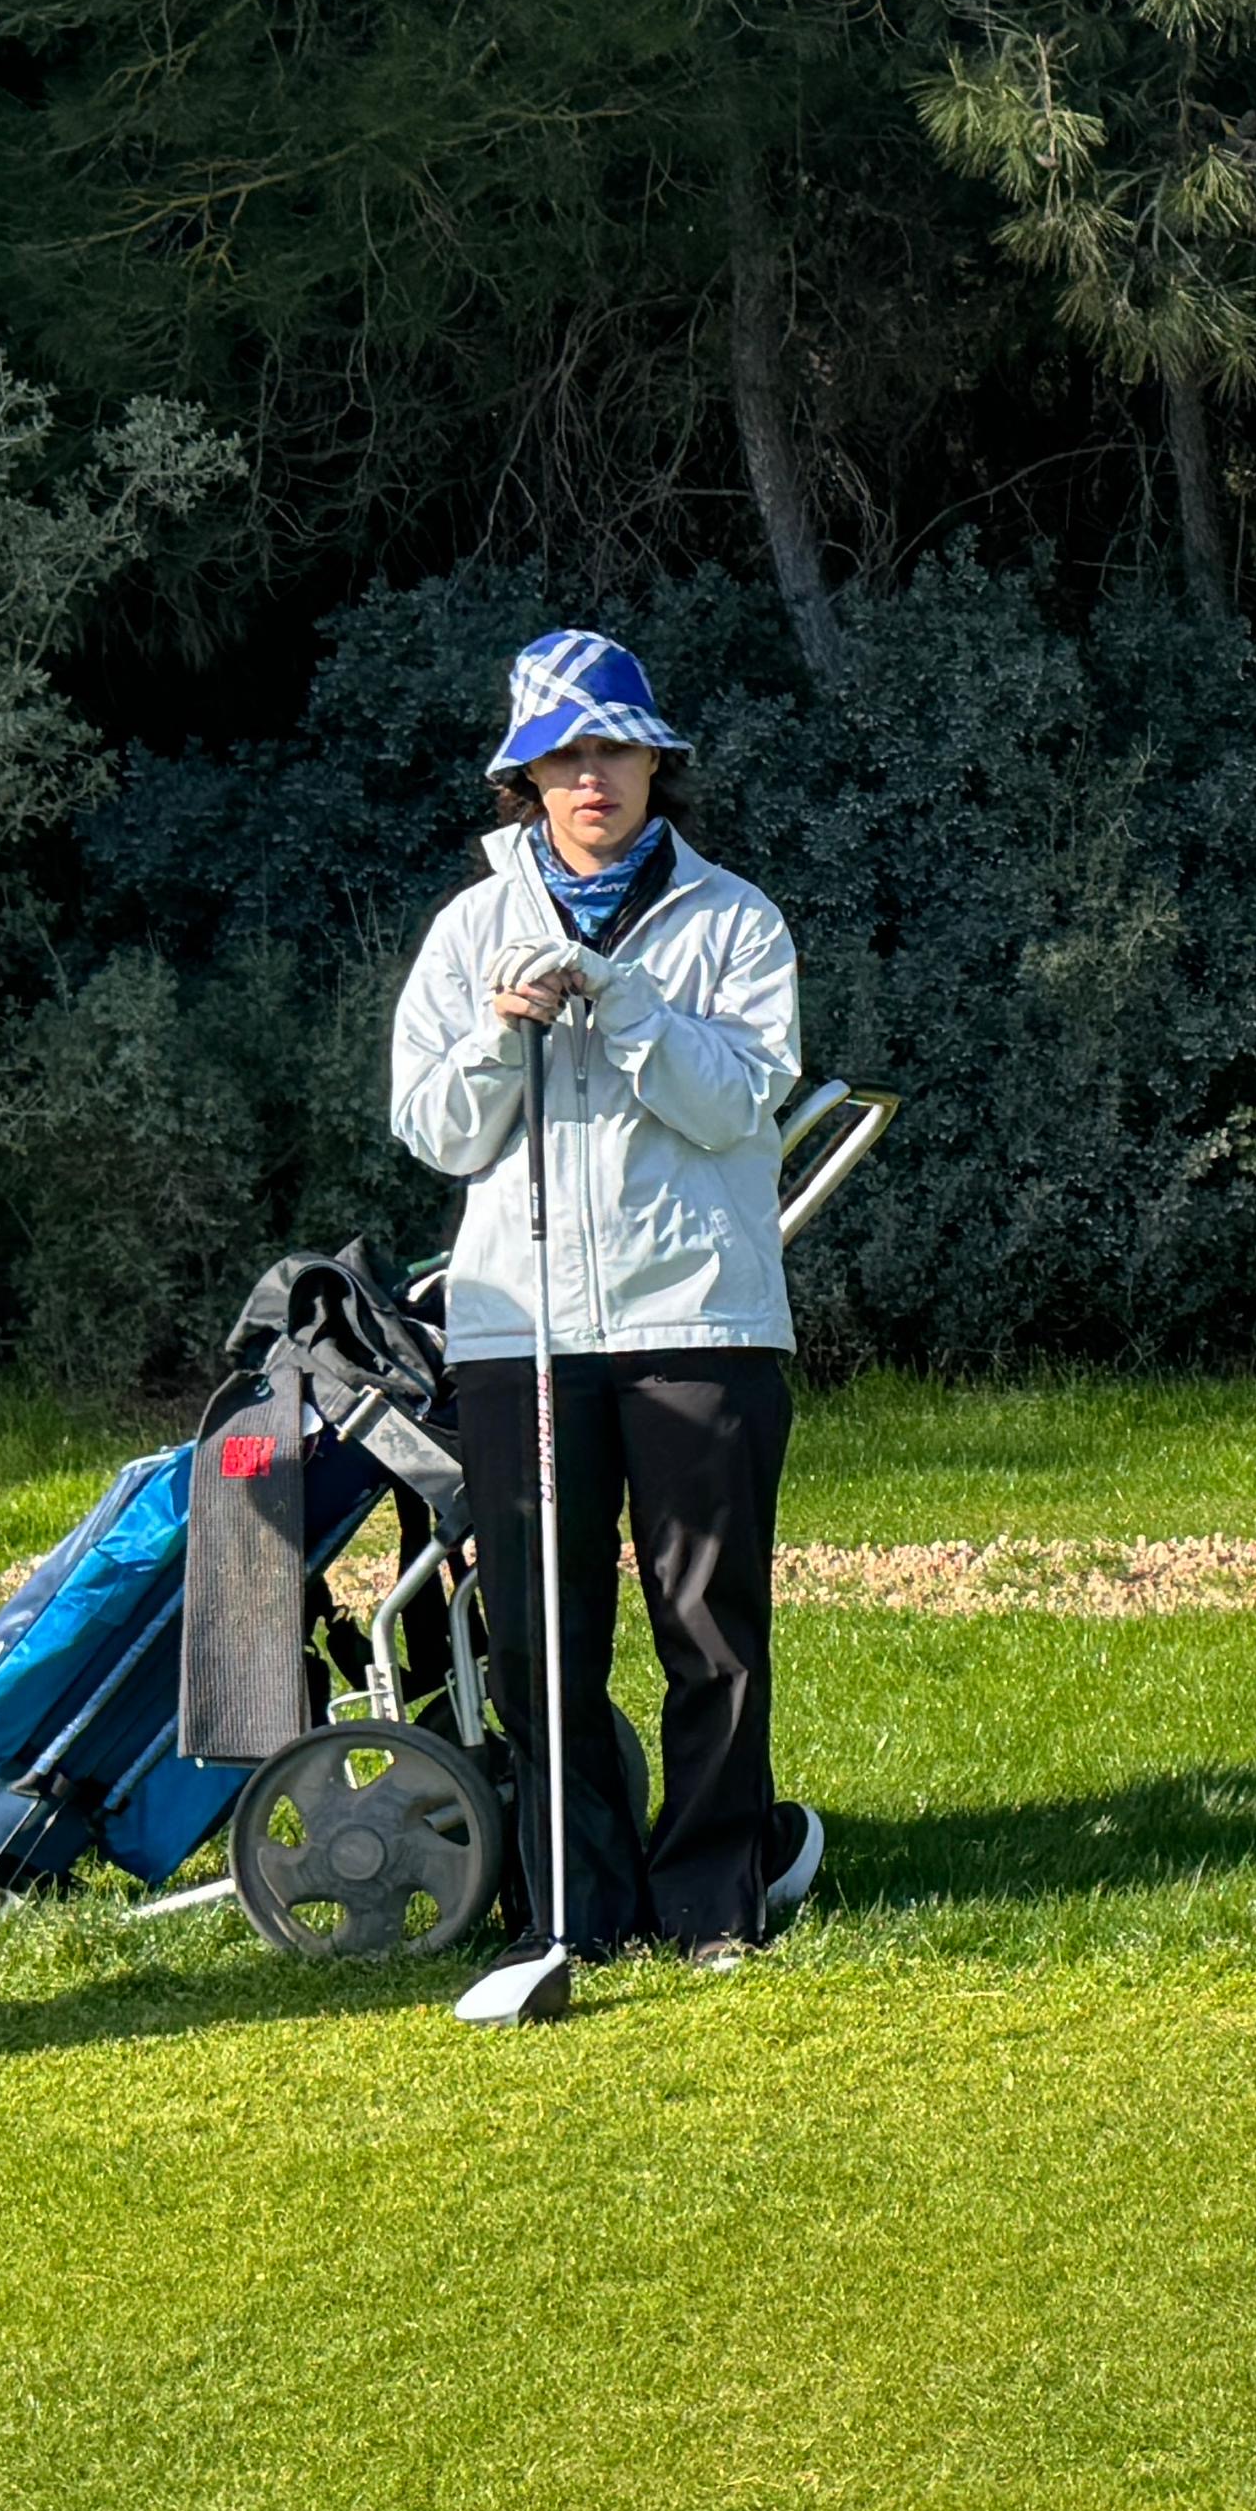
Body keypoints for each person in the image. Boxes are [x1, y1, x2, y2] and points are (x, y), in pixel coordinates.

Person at [388, 630, 824, 1980]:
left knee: (711, 1632)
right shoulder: (470, 930)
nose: (594, 778)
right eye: (566, 757)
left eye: (617, 752)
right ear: (526, 778)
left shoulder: (736, 920)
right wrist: (498, 1035)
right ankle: (574, 1906)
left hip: (701, 1320)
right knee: (539, 1640)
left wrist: (627, 1003)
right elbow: (434, 1130)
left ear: (653, 765)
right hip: (520, 1332)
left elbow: (734, 1104)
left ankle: (712, 1907)